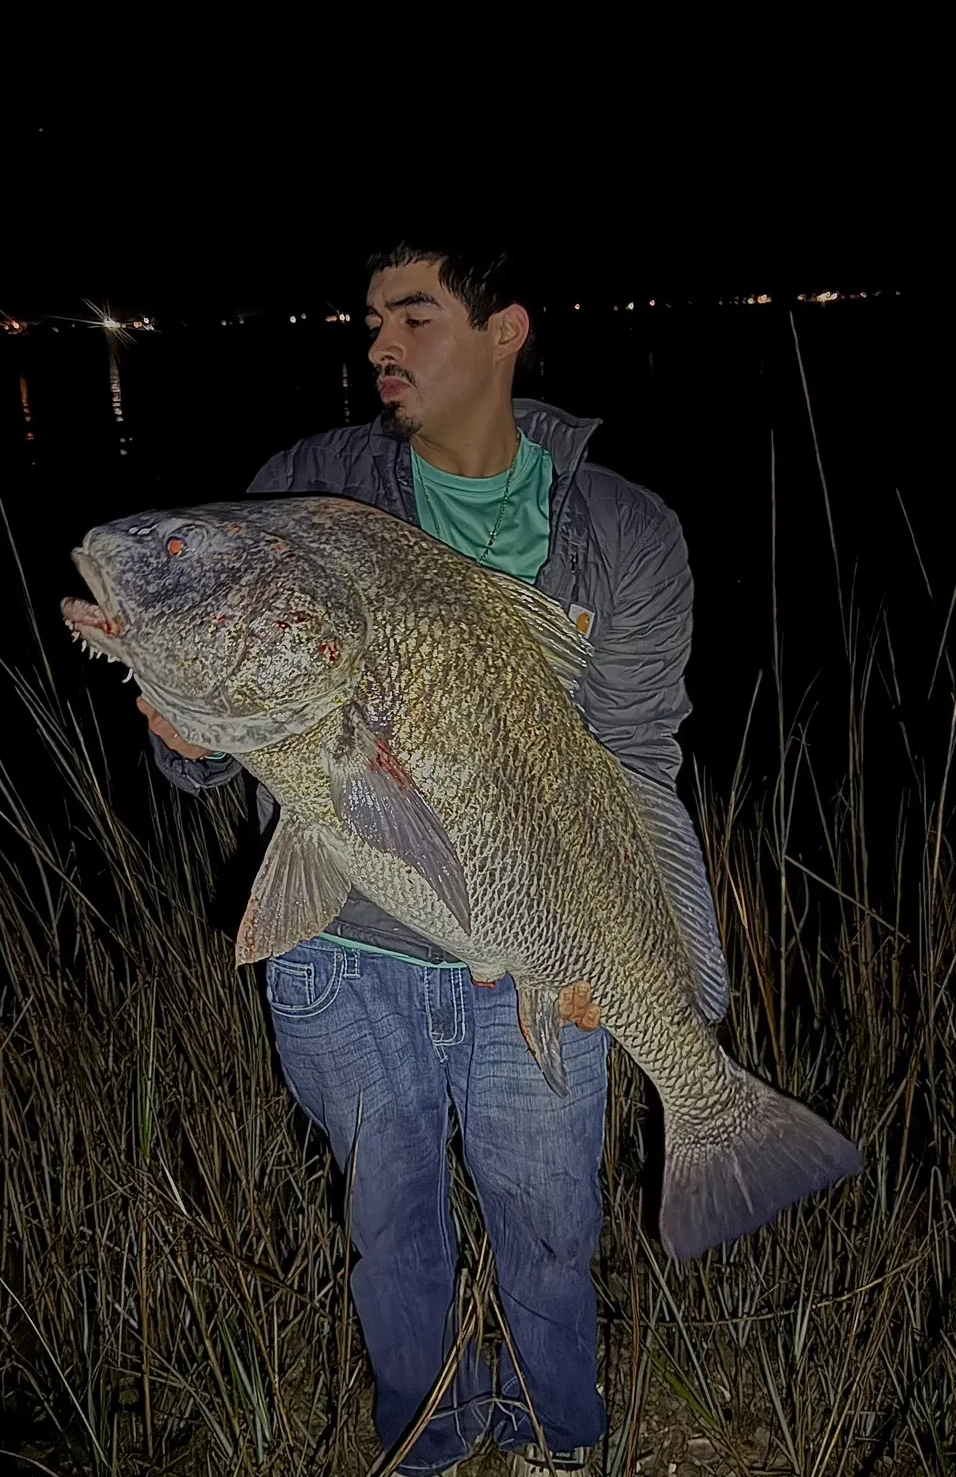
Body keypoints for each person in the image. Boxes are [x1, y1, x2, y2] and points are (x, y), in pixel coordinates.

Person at [140, 245, 724, 1476]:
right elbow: (224, 749)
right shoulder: (307, 495)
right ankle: (424, 1437)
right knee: (388, 1224)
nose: (377, 345)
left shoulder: (625, 531)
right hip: (344, 953)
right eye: (369, 319)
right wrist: (189, 739)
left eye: (414, 314)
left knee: (550, 1229)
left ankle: (564, 1437)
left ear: (505, 329)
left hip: (539, 948)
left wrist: (631, 969)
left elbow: (634, 768)